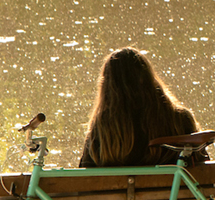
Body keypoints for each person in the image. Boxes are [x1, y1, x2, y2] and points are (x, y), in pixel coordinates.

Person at [78, 47, 208, 168]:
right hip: (175, 192)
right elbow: (203, 168)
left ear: (107, 86)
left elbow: (85, 176)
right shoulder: (180, 119)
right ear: (148, 77)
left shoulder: (102, 128)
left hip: (118, 192)